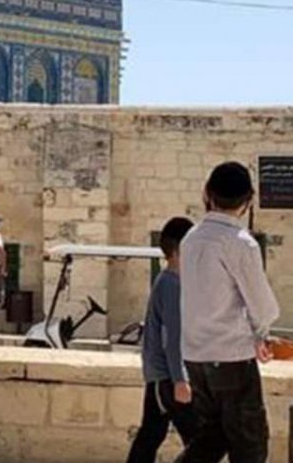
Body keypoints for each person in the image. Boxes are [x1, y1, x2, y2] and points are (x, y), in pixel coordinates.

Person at [179, 162, 279, 463]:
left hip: (196, 356)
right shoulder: (241, 244)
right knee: (249, 445)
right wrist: (261, 333)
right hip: (231, 357)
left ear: (208, 193)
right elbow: (263, 305)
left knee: (211, 438)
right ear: (248, 200)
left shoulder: (190, 239)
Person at [126, 216, 199, 463]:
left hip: (162, 376)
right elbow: (174, 335)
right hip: (169, 378)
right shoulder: (173, 284)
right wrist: (181, 380)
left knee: (151, 435)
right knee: (199, 441)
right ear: (181, 250)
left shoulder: (168, 281)